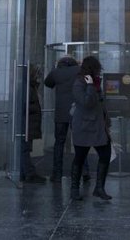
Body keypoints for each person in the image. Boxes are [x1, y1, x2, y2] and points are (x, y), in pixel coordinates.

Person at [70, 56, 112, 201]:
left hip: (98, 126)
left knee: (105, 154)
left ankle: (99, 188)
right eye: (97, 68)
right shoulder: (79, 83)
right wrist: (89, 86)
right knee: (80, 157)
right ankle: (74, 189)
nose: (99, 71)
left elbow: (100, 103)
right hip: (83, 126)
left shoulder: (95, 82)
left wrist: (107, 121)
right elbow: (86, 103)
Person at [44, 55, 90, 183]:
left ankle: (57, 174)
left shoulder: (56, 72)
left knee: (59, 143)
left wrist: (55, 69)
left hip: (60, 113)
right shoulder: (79, 71)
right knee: (80, 143)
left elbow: (47, 83)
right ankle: (85, 171)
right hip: (77, 112)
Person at [21, 64, 47, 183]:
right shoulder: (27, 88)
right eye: (37, 74)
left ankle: (25, 172)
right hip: (27, 123)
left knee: (26, 148)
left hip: (29, 123)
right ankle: (28, 173)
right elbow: (25, 106)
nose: (39, 77)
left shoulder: (30, 87)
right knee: (25, 149)